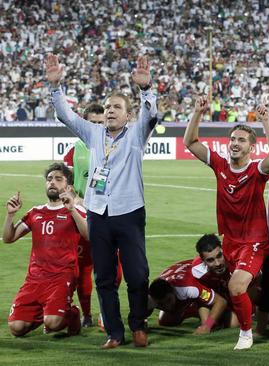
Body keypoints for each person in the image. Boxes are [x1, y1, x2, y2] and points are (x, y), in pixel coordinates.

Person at [46, 53, 158, 349]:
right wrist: (55, 87)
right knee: (104, 278)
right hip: (98, 214)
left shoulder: (136, 134)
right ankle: (115, 333)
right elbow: (65, 116)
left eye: (116, 107)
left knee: (137, 275)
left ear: (128, 114)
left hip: (129, 213)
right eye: (107, 106)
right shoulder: (93, 133)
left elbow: (152, 115)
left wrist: (146, 90)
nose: (110, 111)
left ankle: (138, 324)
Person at [183, 96, 269, 349]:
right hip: (231, 241)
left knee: (236, 286)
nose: (235, 144)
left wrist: (266, 121)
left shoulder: (257, 171)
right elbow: (190, 142)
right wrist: (197, 112)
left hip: (255, 242)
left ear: (251, 147)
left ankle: (246, 335)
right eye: (233, 139)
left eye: (241, 140)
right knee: (246, 289)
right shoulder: (220, 165)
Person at [3, 163, 87, 337]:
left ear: (68, 186)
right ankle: (50, 310)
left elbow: (89, 235)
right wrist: (10, 215)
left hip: (61, 276)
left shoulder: (75, 210)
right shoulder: (35, 212)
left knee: (54, 324)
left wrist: (71, 209)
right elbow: (8, 238)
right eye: (49, 179)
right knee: (16, 328)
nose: (52, 183)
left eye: (58, 179)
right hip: (34, 279)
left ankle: (71, 313)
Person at [62, 103, 123, 328]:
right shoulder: (75, 150)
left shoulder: (116, 146)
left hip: (108, 213)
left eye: (101, 122)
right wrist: (75, 198)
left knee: (114, 270)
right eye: (93, 123)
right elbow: (64, 181)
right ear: (85, 123)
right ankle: (87, 314)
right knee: (84, 268)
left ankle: (105, 310)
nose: (98, 126)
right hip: (81, 213)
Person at [148, 260, 233, 333]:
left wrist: (207, 325)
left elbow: (221, 302)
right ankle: (189, 308)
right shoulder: (149, 299)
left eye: (168, 300)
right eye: (161, 304)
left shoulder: (189, 289)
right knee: (166, 322)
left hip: (207, 279)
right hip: (183, 275)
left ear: (173, 291)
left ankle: (196, 305)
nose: (167, 306)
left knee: (232, 323)